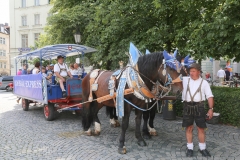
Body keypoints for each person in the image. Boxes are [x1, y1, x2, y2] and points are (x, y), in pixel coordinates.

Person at [182, 63, 214, 157]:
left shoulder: (204, 83)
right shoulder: (185, 80)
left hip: (199, 107)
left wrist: (211, 109)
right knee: (189, 127)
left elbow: (210, 96)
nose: (191, 73)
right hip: (187, 106)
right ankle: (190, 148)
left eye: (193, 71)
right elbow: (173, 75)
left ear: (199, 72)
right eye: (190, 71)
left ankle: (202, 148)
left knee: (200, 128)